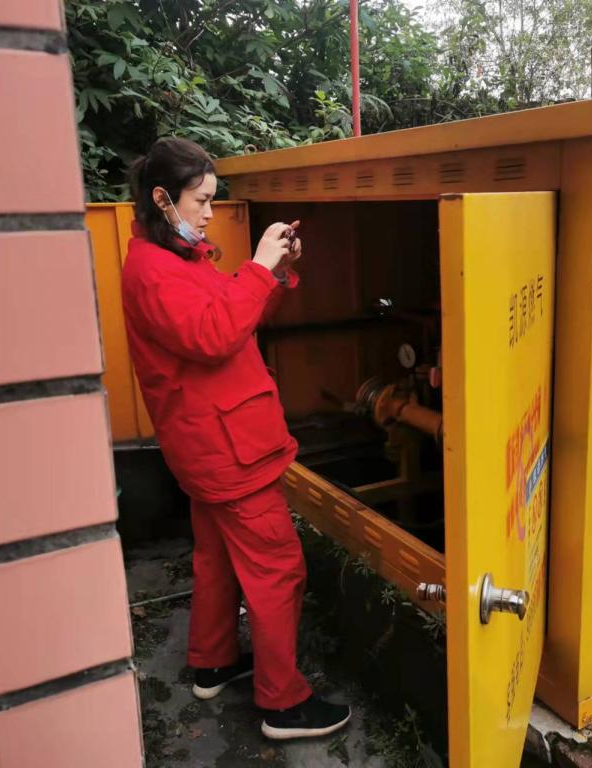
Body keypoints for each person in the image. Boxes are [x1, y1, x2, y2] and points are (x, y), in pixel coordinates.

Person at [121, 137, 351, 740]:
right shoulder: (154, 271)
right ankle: (283, 703)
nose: (207, 213)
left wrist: (275, 270)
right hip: (228, 451)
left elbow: (233, 312)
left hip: (211, 444)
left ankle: (214, 661)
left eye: (211, 200)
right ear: (162, 198)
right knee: (278, 570)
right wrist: (256, 266)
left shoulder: (174, 258)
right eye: (200, 200)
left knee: (218, 558)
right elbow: (215, 334)